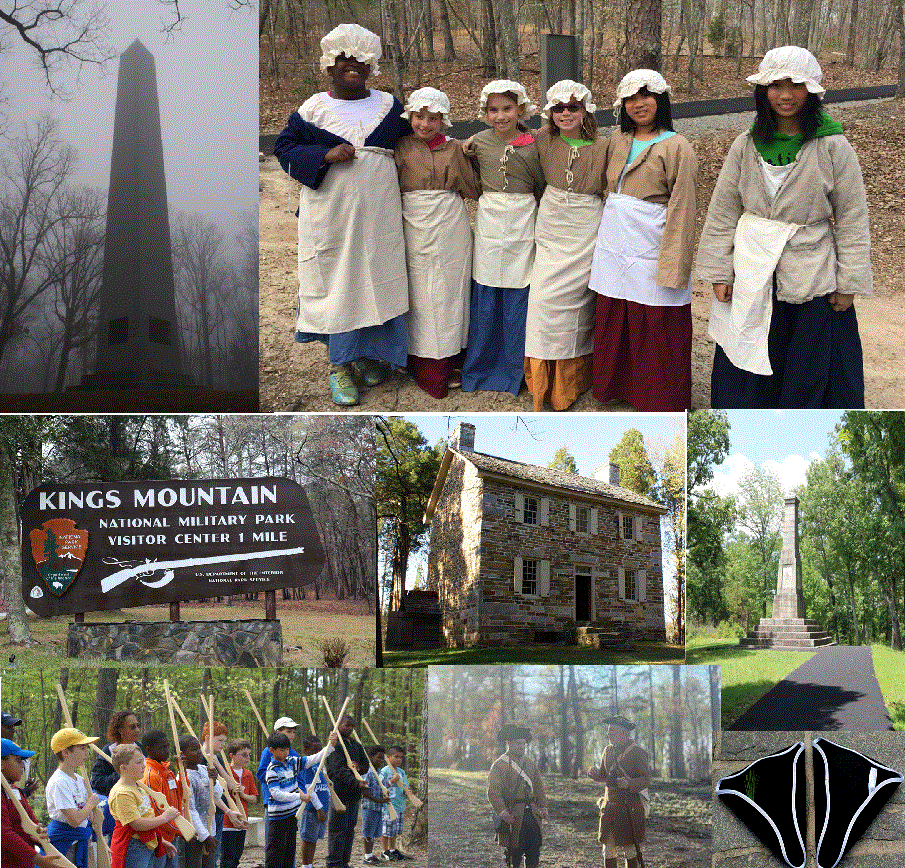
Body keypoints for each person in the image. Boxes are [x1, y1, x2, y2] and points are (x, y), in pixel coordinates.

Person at [697, 46, 871, 408]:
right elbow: (722, 211)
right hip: (754, 266)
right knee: (750, 357)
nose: (786, 94)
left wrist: (848, 282)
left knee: (806, 366)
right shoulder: (745, 146)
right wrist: (719, 271)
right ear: (764, 91)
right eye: (776, 85)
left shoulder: (833, 146)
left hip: (810, 270)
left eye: (796, 85)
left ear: (812, 91)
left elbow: (853, 218)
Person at [273, 23, 411, 407]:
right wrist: (323, 155)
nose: (353, 65)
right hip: (331, 214)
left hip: (380, 214)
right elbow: (284, 149)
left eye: (361, 59)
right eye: (344, 59)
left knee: (376, 279)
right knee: (339, 282)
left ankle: (369, 355)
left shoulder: (390, 107)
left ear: (371, 65)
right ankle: (340, 365)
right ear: (329, 65)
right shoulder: (313, 110)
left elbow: (418, 139)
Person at [589, 69, 697, 412]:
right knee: (616, 315)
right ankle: (618, 384)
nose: (639, 104)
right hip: (615, 240)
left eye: (646, 96)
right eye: (631, 98)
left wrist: (674, 266)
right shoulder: (618, 141)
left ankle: (657, 395)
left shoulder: (678, 147)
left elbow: (683, 209)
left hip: (652, 240)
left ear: (661, 99)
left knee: (655, 316)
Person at [394, 86, 482, 398]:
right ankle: (419, 360)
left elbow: (474, 188)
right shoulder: (400, 147)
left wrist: (474, 155)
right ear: (410, 116)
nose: (425, 124)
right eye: (419, 116)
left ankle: (453, 358)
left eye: (433, 118)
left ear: (443, 120)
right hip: (413, 222)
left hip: (450, 224)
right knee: (420, 292)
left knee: (450, 290)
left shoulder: (455, 147)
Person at [524, 80, 606, 411]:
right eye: (558, 108)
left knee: (577, 302)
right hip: (552, 220)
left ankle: (570, 382)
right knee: (542, 300)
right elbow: (509, 138)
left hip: (587, 222)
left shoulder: (604, 146)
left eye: (573, 107)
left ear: (585, 110)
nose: (565, 113)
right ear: (550, 113)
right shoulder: (543, 139)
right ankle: (542, 381)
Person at [461, 81, 545, 397]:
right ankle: (481, 367)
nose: (500, 116)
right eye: (493, 110)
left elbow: (540, 184)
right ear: (485, 112)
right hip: (489, 222)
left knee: (518, 292)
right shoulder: (478, 143)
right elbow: (465, 168)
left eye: (507, 108)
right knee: (486, 292)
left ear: (520, 109)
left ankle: (513, 369)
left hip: (524, 221)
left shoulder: (535, 144)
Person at [588, 716, 650, 868]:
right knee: (608, 849)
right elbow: (604, 776)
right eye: (608, 731)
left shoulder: (637, 752)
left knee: (630, 849)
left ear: (624, 733)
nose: (608, 735)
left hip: (629, 809)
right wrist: (595, 776)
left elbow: (646, 780)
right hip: (609, 808)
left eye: (612, 731)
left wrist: (629, 783)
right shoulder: (607, 751)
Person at [107, 744, 179, 868]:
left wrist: (160, 840)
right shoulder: (122, 793)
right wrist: (165, 818)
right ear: (123, 768)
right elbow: (136, 823)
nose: (144, 765)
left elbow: (146, 815)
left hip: (146, 843)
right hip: (132, 846)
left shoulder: (137, 786)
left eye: (144, 761)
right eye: (139, 762)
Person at [487, 724, 547, 868]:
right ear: (509, 743)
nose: (522, 746)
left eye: (523, 743)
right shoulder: (499, 765)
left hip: (532, 816)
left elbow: (539, 787)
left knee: (534, 855)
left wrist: (543, 807)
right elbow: (493, 793)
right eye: (518, 743)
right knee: (514, 857)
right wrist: (503, 813)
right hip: (513, 817)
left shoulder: (530, 763)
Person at [179, 735, 239, 868]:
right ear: (182, 754)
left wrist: (214, 781)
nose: (199, 752)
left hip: (209, 829)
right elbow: (190, 809)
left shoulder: (203, 769)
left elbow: (216, 795)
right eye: (194, 750)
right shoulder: (183, 777)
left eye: (199, 748)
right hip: (194, 834)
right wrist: (205, 836)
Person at [46, 728, 101, 868]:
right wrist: (91, 803)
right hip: (65, 843)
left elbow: (85, 815)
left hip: (82, 840)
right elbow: (74, 820)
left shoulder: (80, 779)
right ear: (66, 752)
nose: (87, 753)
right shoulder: (59, 782)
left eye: (86, 748)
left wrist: (94, 816)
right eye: (82, 748)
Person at [324, 714, 370, 868]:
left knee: (349, 829)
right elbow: (337, 770)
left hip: (354, 795)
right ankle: (334, 862)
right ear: (338, 726)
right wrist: (356, 782)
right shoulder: (334, 746)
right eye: (346, 725)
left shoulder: (356, 745)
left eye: (352, 726)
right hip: (340, 793)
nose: (349, 728)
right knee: (338, 829)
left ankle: (345, 861)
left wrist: (358, 768)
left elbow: (366, 765)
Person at [140, 732, 185, 867]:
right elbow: (156, 811)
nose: (167, 750)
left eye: (167, 746)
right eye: (162, 747)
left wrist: (182, 770)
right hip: (159, 838)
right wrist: (180, 829)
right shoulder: (150, 775)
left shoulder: (166, 771)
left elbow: (181, 796)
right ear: (148, 749)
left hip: (171, 834)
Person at [255, 716, 299, 850]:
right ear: (278, 732)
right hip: (274, 804)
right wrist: (279, 777)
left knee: (289, 843)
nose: (292, 734)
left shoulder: (294, 754)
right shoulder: (268, 752)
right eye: (288, 731)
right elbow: (261, 774)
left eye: (293, 731)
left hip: (291, 804)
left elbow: (299, 776)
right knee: (274, 842)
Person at [296, 734, 335, 868]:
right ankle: (305, 865)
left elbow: (325, 786)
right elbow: (309, 789)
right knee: (308, 839)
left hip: (323, 807)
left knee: (314, 839)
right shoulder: (306, 766)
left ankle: (310, 864)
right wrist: (318, 808)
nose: (318, 753)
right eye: (314, 750)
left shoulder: (320, 765)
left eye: (320, 749)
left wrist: (327, 805)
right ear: (307, 750)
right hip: (312, 809)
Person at [221, 740, 257, 868]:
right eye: (244, 755)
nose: (247, 758)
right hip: (227, 822)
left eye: (249, 754)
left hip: (243, 821)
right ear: (232, 756)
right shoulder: (224, 772)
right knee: (227, 858)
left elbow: (253, 798)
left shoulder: (248, 774)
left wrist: (243, 795)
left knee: (237, 856)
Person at [379, 746, 412, 861]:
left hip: (399, 806)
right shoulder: (384, 771)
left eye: (401, 757)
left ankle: (392, 850)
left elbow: (405, 787)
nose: (399, 759)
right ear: (388, 757)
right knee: (386, 831)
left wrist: (407, 792)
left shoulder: (401, 772)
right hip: (388, 806)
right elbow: (380, 787)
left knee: (394, 831)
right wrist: (392, 780)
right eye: (396, 757)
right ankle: (384, 851)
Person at [361, 744, 388, 865]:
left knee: (373, 833)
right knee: (368, 833)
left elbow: (382, 787)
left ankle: (371, 855)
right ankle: (367, 856)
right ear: (371, 757)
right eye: (378, 758)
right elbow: (365, 792)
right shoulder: (368, 771)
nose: (381, 761)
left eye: (383, 759)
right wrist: (379, 800)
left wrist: (384, 797)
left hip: (378, 808)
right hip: (370, 807)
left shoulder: (379, 772)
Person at [2, 712, 38, 797]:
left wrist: (25, 790)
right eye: (8, 727)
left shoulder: (15, 751)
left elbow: (11, 797)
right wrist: (27, 791)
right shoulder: (6, 757)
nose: (13, 730)